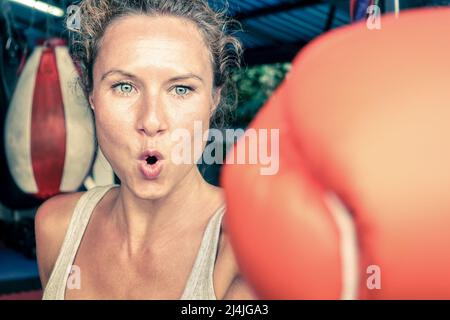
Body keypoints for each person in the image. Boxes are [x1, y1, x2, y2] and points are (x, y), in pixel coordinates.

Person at [35, 0, 257, 300]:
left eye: (181, 89)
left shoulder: (247, 250)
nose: (151, 121)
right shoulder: (56, 227)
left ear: (213, 100)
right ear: (91, 95)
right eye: (125, 86)